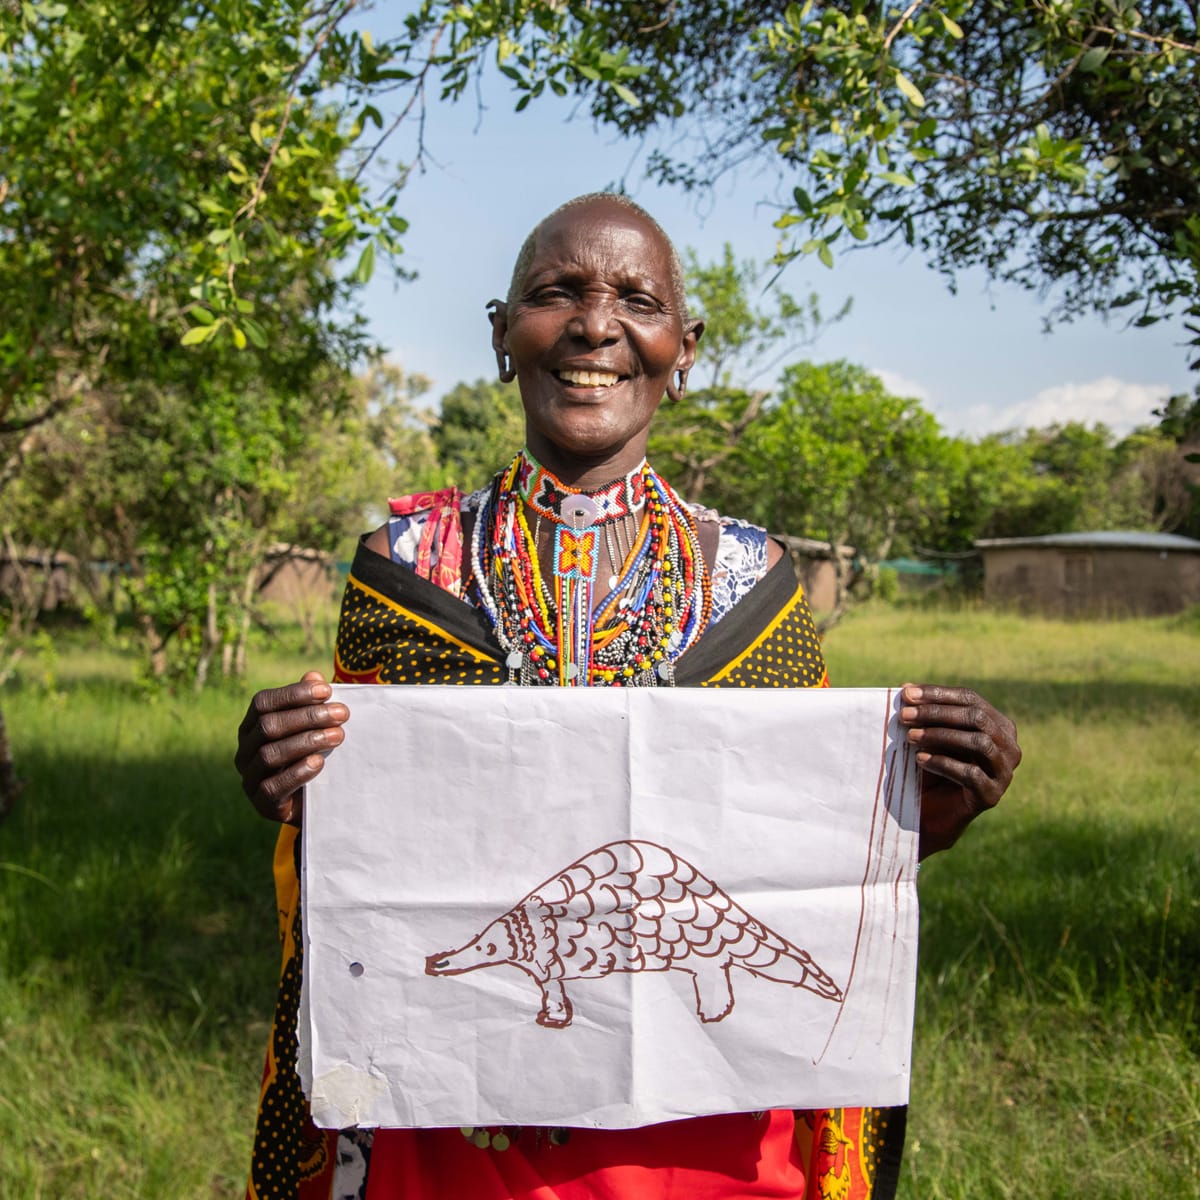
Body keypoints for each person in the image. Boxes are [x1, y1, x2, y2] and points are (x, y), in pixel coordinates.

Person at [235, 193, 1021, 1200]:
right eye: (556, 293)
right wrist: (283, 777)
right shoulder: (403, 568)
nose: (595, 325)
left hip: (709, 1136)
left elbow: (811, 853)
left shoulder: (752, 583)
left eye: (635, 300)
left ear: (681, 348)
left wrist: (939, 805)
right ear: (501, 335)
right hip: (453, 1137)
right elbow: (353, 848)